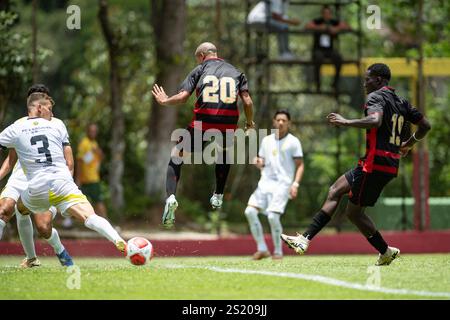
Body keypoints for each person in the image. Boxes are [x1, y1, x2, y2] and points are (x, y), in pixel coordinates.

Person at [281, 63, 431, 266]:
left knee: (353, 213)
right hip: (386, 163)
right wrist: (407, 145)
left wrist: (345, 122)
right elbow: (425, 125)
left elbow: (375, 120)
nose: (364, 83)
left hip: (374, 163)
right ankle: (305, 239)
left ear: (378, 80)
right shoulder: (402, 101)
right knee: (335, 190)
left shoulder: (376, 97)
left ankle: (384, 251)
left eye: (367, 78)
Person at [0, 92, 127, 256]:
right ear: (39, 108)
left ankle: (31, 257)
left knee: (20, 208)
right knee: (90, 216)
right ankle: (118, 240)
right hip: (62, 182)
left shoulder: (16, 127)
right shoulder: (57, 125)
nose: (52, 114)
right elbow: (70, 160)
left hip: (37, 188)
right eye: (50, 109)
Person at [152, 42, 255, 228]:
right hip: (227, 122)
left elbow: (183, 97)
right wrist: (249, 123)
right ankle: (218, 194)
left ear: (201, 56)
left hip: (203, 122)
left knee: (177, 155)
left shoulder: (199, 70)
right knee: (224, 152)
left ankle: (171, 197)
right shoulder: (236, 72)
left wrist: (165, 100)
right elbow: (247, 101)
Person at [0, 84, 74, 267]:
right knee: (4, 209)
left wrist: (66, 185)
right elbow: (11, 159)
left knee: (43, 226)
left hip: (49, 178)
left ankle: (60, 250)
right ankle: (32, 259)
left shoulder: (57, 124)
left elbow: (69, 160)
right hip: (21, 175)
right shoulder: (19, 124)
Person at [245, 110, 304, 260]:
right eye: (278, 120)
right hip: (265, 183)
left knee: (272, 217)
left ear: (289, 123)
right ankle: (262, 248)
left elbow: (300, 165)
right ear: (273, 121)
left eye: (284, 120)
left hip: (283, 185)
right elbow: (263, 162)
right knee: (250, 212)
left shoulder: (293, 142)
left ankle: (278, 251)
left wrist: (295, 184)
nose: (281, 123)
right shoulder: (266, 141)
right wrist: (258, 163)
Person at [63, 123, 107, 229]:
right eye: (91, 131)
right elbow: (79, 161)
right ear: (87, 131)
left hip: (94, 178)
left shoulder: (94, 143)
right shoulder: (84, 143)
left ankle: (106, 223)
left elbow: (100, 158)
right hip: (84, 179)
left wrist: (99, 153)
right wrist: (78, 179)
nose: (93, 133)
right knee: (76, 201)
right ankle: (68, 221)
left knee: (98, 201)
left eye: (95, 131)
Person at [306, 5, 351, 93]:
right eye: (325, 13)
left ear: (330, 14)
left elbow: (347, 27)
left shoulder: (333, 22)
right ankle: (318, 84)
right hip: (318, 49)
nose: (326, 15)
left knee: (338, 58)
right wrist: (319, 28)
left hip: (329, 50)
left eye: (328, 13)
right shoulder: (318, 21)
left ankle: (334, 84)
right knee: (318, 58)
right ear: (322, 14)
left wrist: (336, 29)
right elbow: (307, 26)